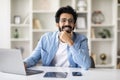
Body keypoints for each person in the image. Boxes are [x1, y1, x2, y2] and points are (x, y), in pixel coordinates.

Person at [24, 5, 91, 70]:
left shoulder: (82, 39)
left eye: (70, 21)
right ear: (57, 24)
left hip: (72, 76)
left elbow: (86, 65)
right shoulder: (45, 38)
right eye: (63, 20)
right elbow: (33, 58)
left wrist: (70, 42)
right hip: (50, 76)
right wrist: (24, 64)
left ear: (74, 24)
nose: (67, 23)